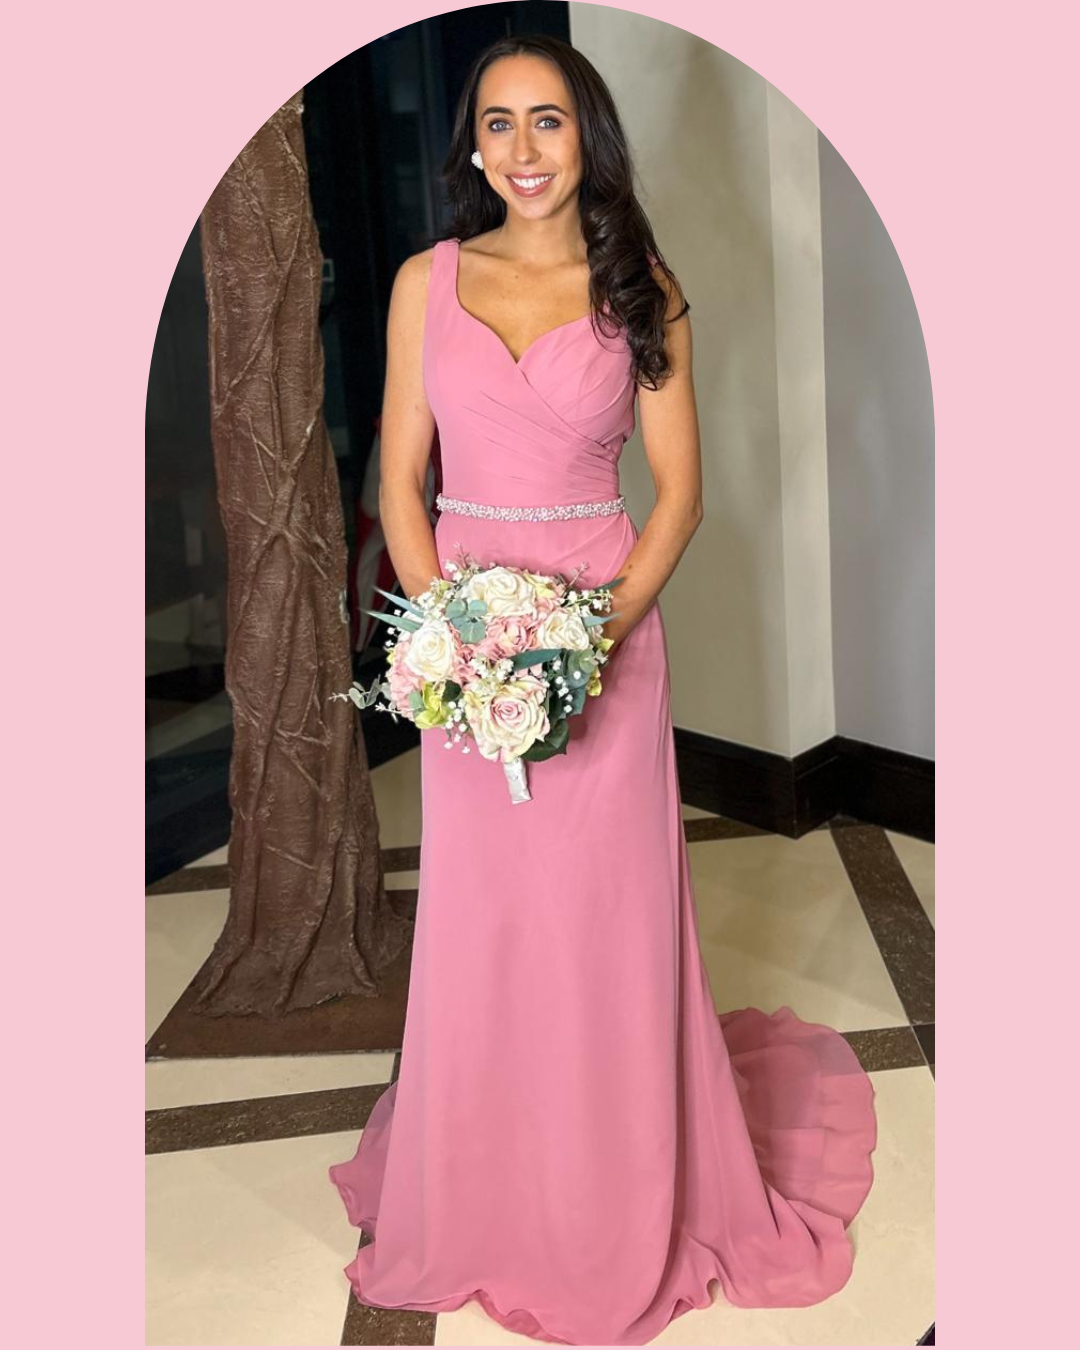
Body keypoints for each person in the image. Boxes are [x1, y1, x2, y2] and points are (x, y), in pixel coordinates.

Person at [329, 33, 877, 1347]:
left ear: (591, 139)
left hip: (598, 631)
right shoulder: (425, 281)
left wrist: (585, 642)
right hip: (466, 639)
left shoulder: (645, 288)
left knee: (605, 919)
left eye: (550, 123)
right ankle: (488, 1176)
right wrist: (458, 628)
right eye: (499, 124)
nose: (522, 149)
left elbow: (680, 497)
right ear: (471, 143)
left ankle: (613, 1187)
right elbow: (401, 477)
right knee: (487, 920)